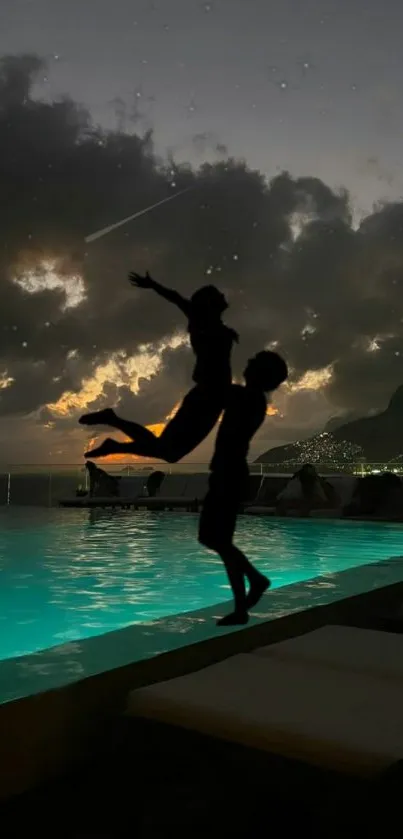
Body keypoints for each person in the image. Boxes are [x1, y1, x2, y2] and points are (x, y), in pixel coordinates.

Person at [79, 271, 239, 462]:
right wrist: (153, 285)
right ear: (209, 304)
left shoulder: (213, 326)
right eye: (218, 295)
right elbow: (177, 298)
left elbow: (177, 299)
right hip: (206, 396)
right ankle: (113, 434)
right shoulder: (203, 323)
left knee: (166, 449)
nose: (223, 297)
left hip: (211, 397)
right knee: (169, 452)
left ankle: (113, 432)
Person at [198, 350, 288, 626]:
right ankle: (246, 596)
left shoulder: (247, 397)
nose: (246, 364)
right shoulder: (251, 398)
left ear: (259, 373)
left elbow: (214, 384)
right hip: (229, 474)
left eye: (252, 362)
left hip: (229, 475)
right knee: (217, 540)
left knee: (217, 540)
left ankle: (251, 589)